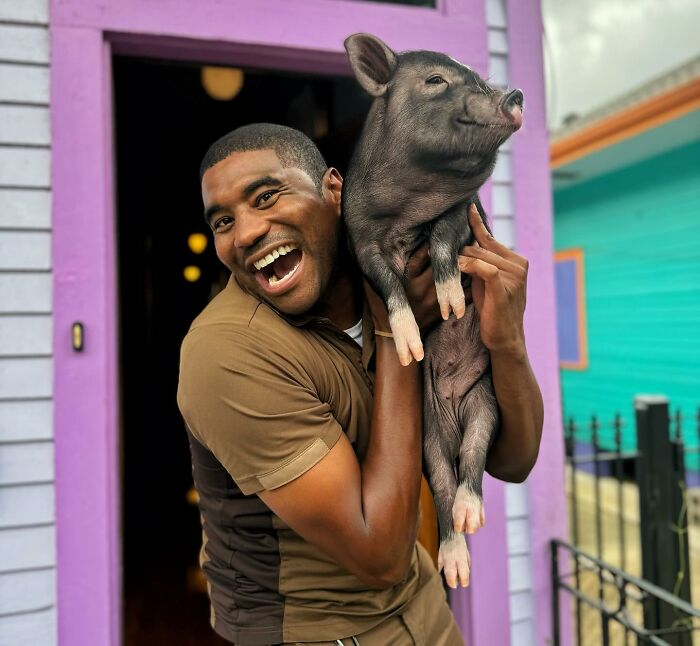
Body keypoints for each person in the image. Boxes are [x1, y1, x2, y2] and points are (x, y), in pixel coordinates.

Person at [177, 123, 543, 646]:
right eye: (223, 221)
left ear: (334, 190)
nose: (246, 233)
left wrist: (505, 342)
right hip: (316, 633)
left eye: (266, 195)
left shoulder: (399, 274)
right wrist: (398, 327)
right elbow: (381, 554)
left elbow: (511, 460)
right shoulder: (226, 352)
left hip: (426, 613)